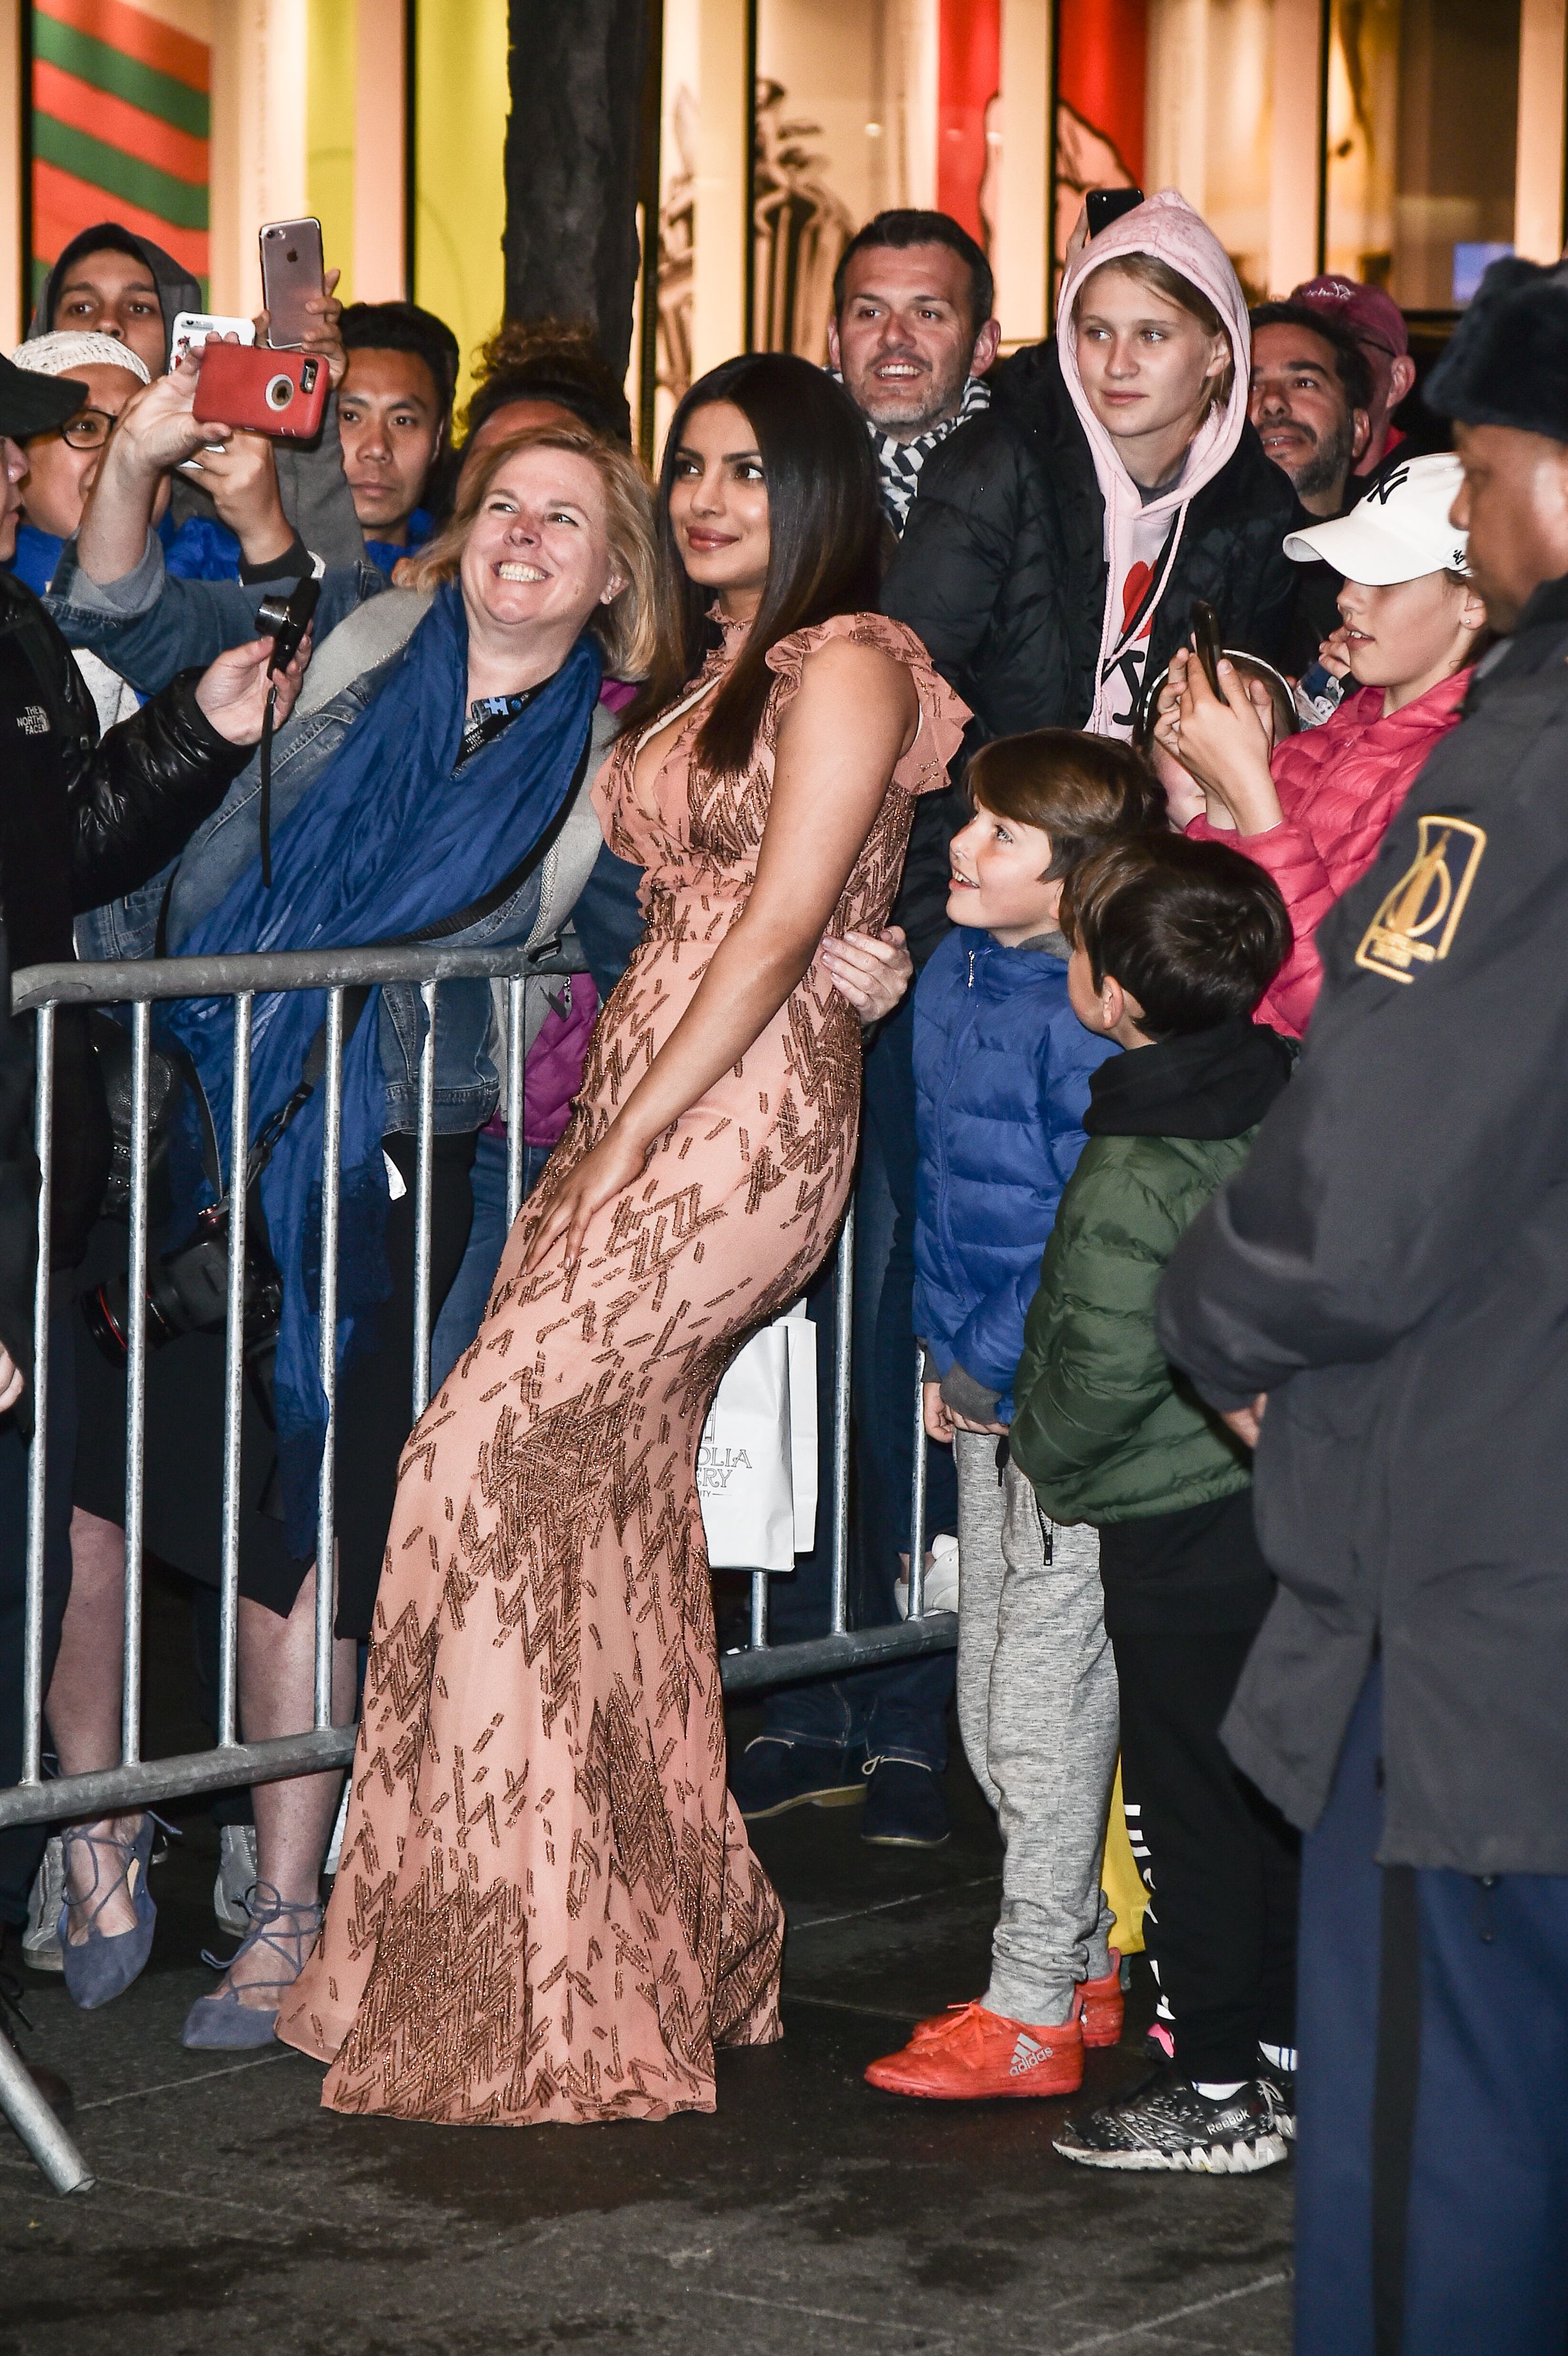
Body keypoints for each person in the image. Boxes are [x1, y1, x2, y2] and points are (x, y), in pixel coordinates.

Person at [275, 351, 967, 2126]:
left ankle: (538, 1969)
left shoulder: (849, 662)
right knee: (599, 1516)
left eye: (748, 469)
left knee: (474, 1462)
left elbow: (780, 924)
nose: (712, 497)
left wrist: (626, 1146)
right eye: (696, 468)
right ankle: (637, 1944)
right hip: (645, 1101)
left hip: (733, 1124)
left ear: (818, 492)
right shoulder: (711, 666)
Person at [61, 423, 655, 2049]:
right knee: (96, 1487)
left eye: (566, 520)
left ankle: (286, 1905)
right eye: (504, 506)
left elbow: (653, 964)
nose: (524, 535)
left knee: (305, 1528)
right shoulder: (352, 641)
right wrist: (158, 473)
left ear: (615, 572)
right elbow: (128, 640)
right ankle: (95, 1837)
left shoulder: (616, 766)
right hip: (177, 1114)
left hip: (385, 1159)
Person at [1154, 255, 1568, 2350]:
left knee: (1444, 2153)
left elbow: (1374, 1166)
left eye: (1479, 472)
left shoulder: (1529, 752)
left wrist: (1214, 1309)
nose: (1470, 513)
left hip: (1500, 1555)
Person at [0, 349, 309, 2099]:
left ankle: (243, 1868)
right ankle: (90, 1833)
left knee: (196, 1512)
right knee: (73, 1524)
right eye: (58, 429)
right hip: (54, 1154)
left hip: (159, 1156)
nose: (49, 459)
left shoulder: (122, 628)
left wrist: (207, 715)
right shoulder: (49, 619)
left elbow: (85, 839)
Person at [732, 208, 1000, 1846]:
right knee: (792, 1330)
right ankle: (793, 1689)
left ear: (981, 338)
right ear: (831, 330)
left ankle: (905, 1697)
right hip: (774, 982)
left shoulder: (1016, 486)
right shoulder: (779, 476)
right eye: (869, 310)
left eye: (930, 312)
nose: (896, 338)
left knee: (905, 1327)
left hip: (925, 974)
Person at [864, 730, 1166, 2104]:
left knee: (1036, 1709)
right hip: (985, 1382)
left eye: (999, 834)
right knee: (992, 1701)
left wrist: (982, 1360)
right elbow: (943, 1186)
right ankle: (1080, 1963)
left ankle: (1032, 2006)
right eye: (970, 818)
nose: (961, 845)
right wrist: (946, 1357)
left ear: (1077, 877)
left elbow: (1075, 1229)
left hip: (1063, 1397)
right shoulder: (957, 968)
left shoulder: (1083, 1018)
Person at [1001, 834, 1296, 2169]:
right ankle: (1287, 2048)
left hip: (1174, 1520)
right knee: (1276, 1786)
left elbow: (1110, 1359)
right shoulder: (1287, 1090)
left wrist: (1042, 1454)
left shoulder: (1134, 1157)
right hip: (1285, 1494)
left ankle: (1218, 2090)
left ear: (1112, 993)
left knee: (1190, 1808)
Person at [885, 190, 1302, 748]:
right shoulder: (994, 464)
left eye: (1151, 335)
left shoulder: (1260, 507)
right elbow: (906, 692)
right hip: (989, 800)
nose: (1117, 364)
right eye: (1097, 332)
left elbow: (1246, 712)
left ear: (1218, 352)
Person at [1158, 452, 1487, 1033]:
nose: (1347, 597)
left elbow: (1348, 1010)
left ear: (1475, 600)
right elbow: (1205, 948)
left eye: (1383, 576)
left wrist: (1251, 795)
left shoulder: (1473, 776)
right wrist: (1219, 791)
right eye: (1350, 571)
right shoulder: (1321, 741)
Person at [7, 333, 317, 730]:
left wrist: (266, 531)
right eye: (85, 426)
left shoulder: (219, 558)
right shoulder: (11, 609)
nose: (116, 452)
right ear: (15, 459)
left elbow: (316, 698)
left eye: (143, 427)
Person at [31, 221, 365, 577]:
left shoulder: (224, 498)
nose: (107, 324)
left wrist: (297, 408)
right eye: (81, 307)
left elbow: (339, 598)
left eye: (139, 308)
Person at [338, 300, 460, 571]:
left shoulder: (466, 582)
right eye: (350, 416)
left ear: (438, 438)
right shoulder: (245, 560)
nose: (377, 448)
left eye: (402, 421)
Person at [1248, 302, 1373, 520]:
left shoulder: (1406, 534)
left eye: (1303, 383)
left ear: (1358, 431)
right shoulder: (1185, 538)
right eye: (1251, 387)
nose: (1272, 401)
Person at [1292, 275, 1417, 478]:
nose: (1314, 362)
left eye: (1344, 345)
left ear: (1398, 381)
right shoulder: (1250, 479)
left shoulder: (1434, 487)